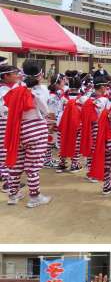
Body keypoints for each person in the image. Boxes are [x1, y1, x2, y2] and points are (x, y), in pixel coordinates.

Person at [5, 60, 51, 208]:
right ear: (40, 74)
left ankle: (13, 195)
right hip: (36, 129)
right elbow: (45, 110)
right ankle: (34, 197)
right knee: (32, 167)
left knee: (16, 164)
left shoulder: (15, 88)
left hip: (18, 129)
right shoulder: (40, 90)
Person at [0, 61, 21, 194]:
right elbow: (4, 110)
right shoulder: (3, 91)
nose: (17, 75)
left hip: (7, 122)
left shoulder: (8, 88)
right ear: (6, 76)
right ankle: (8, 181)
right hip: (4, 122)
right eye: (14, 73)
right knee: (5, 150)